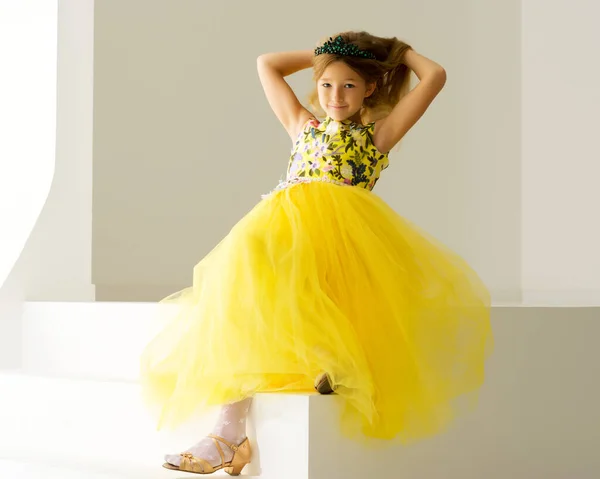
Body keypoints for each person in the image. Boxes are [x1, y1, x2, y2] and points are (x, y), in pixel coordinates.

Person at [140, 31, 493, 476]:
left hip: (342, 240)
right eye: (326, 84)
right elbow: (266, 63)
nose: (335, 95)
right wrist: (327, 56)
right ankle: (227, 434)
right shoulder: (301, 125)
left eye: (348, 85)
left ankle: (298, 386)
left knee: (317, 301)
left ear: (369, 89)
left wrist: (395, 55)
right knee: (241, 304)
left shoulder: (376, 135)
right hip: (281, 234)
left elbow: (435, 75)